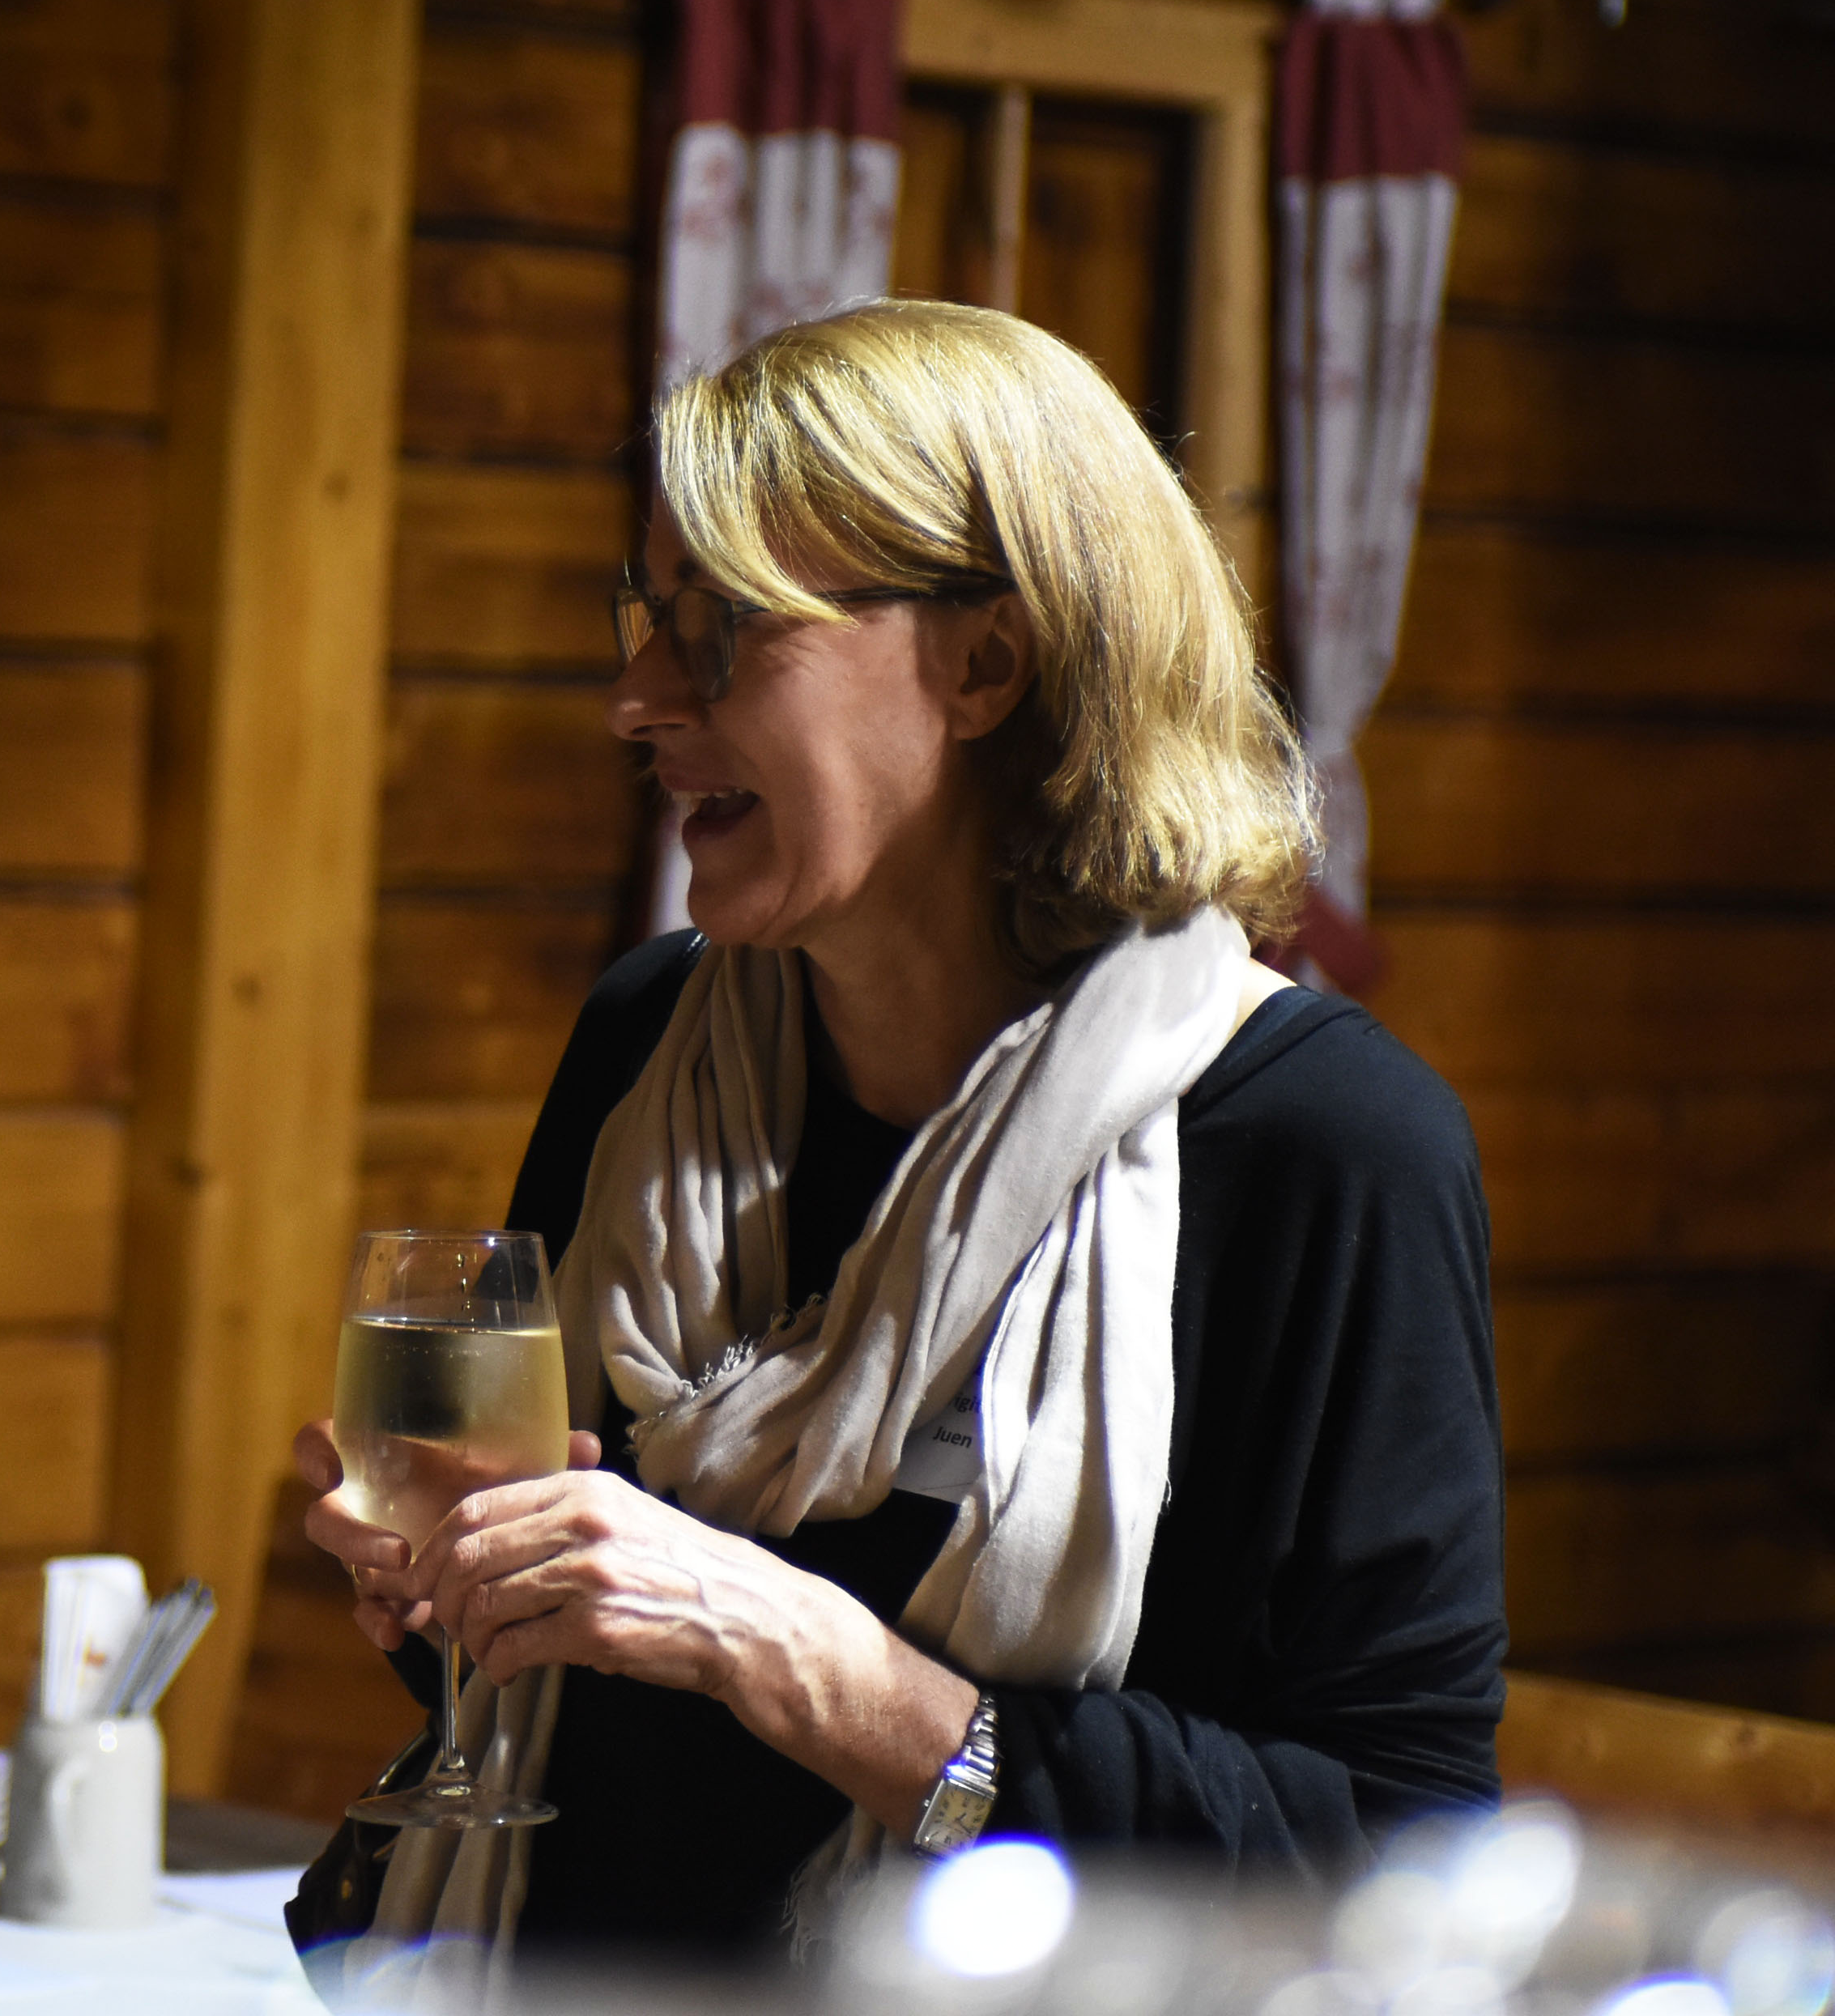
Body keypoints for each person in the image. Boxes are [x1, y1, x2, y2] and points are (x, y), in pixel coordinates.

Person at [294, 301, 1503, 1972]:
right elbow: (598, 1718)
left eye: (720, 632)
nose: (633, 701)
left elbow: (1392, 1858)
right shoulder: (648, 1042)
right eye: (643, 620)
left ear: (985, 665)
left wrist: (824, 1671)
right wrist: (460, 1594)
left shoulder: (1321, 1143)